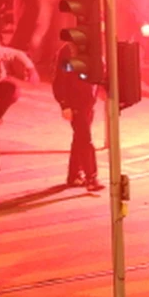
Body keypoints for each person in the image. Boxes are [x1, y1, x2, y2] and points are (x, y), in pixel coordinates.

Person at [53, 43, 101, 191]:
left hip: (87, 103)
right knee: (85, 139)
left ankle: (74, 175)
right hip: (76, 104)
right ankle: (91, 177)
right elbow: (60, 79)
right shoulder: (69, 50)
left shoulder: (96, 47)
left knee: (79, 139)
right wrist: (64, 104)